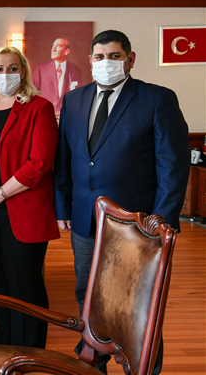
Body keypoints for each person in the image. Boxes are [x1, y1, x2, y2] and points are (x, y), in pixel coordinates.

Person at [54, 30, 191, 374]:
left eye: (115, 56)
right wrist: (63, 206)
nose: (107, 63)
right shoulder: (73, 100)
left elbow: (173, 167)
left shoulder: (157, 99)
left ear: (130, 59)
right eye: (100, 57)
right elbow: (65, 158)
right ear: (90, 61)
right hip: (86, 220)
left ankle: (145, 367)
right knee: (88, 293)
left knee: (139, 302)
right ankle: (94, 363)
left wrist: (161, 220)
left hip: (138, 225)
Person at [0, 46, 60, 349]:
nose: (6, 74)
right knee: (0, 284)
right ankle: (4, 347)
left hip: (22, 208)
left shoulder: (39, 108)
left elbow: (39, 163)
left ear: (23, 71)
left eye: (13, 68)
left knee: (26, 284)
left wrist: (1, 193)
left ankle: (30, 351)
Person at [32, 37, 83, 115]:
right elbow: (33, 93)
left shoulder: (75, 70)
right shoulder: (41, 69)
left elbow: (78, 95)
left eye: (58, 46)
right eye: (53, 46)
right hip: (45, 114)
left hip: (67, 115)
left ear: (66, 51)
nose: (53, 49)